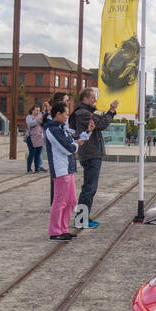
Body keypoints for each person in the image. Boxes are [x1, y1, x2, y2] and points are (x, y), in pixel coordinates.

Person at [70, 89, 117, 227]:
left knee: (90, 187)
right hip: (90, 154)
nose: (94, 100)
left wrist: (108, 113)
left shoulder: (85, 112)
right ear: (84, 98)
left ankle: (84, 217)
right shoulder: (83, 113)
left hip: (91, 153)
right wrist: (111, 111)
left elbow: (99, 122)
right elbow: (101, 124)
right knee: (89, 188)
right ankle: (81, 219)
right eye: (92, 97)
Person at [45, 101, 88, 241]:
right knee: (60, 201)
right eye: (65, 114)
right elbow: (67, 148)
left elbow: (72, 142)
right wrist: (76, 145)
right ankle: (55, 231)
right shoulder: (52, 129)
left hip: (67, 168)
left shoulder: (61, 128)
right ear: (58, 114)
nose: (67, 117)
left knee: (71, 201)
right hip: (60, 169)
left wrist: (87, 133)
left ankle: (63, 229)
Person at [25, 105, 46, 173]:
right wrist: (38, 119)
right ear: (32, 110)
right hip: (31, 137)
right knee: (32, 153)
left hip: (39, 137)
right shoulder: (29, 117)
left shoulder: (40, 117)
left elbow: (42, 124)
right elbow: (30, 124)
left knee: (38, 153)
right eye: (36, 110)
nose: (38, 112)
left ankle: (37, 168)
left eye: (38, 110)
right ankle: (29, 169)